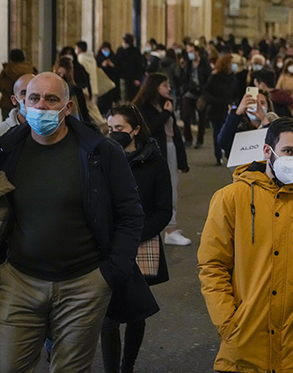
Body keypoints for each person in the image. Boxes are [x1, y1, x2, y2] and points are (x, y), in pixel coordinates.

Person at [0, 72, 154, 372]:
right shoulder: (7, 150)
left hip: (83, 284)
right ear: (21, 103)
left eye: (51, 99)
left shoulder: (99, 151)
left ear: (67, 107)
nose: (41, 106)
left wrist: (111, 273)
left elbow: (130, 213)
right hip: (19, 281)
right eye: (34, 98)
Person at [198, 118, 293, 373]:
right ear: (267, 151)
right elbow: (212, 266)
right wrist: (228, 323)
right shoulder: (230, 199)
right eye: (289, 151)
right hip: (244, 345)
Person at [102, 104, 172, 373]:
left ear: (135, 130)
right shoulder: (104, 158)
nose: (114, 133)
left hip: (140, 243)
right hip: (109, 246)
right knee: (108, 316)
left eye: (119, 128)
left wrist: (133, 235)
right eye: (110, 129)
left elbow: (163, 210)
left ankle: (127, 366)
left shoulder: (155, 161)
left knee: (135, 313)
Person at [133, 73, 191, 246]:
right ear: (155, 87)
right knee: (155, 189)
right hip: (153, 151)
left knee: (171, 188)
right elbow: (147, 129)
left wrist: (183, 160)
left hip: (170, 148)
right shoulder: (143, 107)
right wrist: (166, 113)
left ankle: (170, 228)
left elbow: (175, 133)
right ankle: (159, 229)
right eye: (165, 85)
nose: (169, 88)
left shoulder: (166, 105)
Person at [217, 87, 278, 159]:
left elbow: (277, 144)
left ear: (268, 106)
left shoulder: (276, 124)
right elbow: (223, 142)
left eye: (262, 103)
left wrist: (264, 120)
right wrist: (237, 113)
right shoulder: (240, 127)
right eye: (253, 103)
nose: (258, 106)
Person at [202, 54, 238, 165]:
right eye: (231, 63)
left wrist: (234, 103)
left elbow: (237, 93)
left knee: (230, 131)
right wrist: (216, 101)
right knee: (217, 133)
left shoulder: (234, 78)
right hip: (216, 109)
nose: (232, 65)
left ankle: (228, 153)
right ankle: (218, 155)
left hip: (229, 109)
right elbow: (206, 92)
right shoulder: (215, 77)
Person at [181, 42, 212, 148]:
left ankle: (199, 140)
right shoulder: (188, 64)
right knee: (186, 115)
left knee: (201, 118)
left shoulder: (204, 64)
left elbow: (208, 79)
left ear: (197, 52)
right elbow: (184, 77)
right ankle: (188, 138)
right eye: (188, 52)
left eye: (191, 51)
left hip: (201, 94)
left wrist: (204, 92)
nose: (189, 54)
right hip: (189, 92)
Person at [53, 56, 93, 125]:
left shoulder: (76, 91)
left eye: (64, 75)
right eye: (59, 74)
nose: (61, 78)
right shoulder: (52, 91)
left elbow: (84, 113)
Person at [0, 49, 36, 120]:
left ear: (10, 58)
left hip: (8, 104)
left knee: (8, 127)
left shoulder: (6, 72)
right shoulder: (31, 71)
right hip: (28, 102)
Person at [115, 34, 146, 102]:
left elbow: (140, 66)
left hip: (132, 78)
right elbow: (117, 63)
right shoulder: (120, 50)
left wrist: (138, 78)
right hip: (122, 77)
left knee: (132, 97)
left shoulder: (135, 52)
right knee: (123, 95)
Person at [96, 42, 122, 113]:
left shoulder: (114, 57)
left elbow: (118, 70)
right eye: (104, 49)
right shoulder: (98, 58)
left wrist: (112, 65)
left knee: (110, 99)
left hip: (112, 82)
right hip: (102, 82)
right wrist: (102, 65)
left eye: (107, 49)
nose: (106, 51)